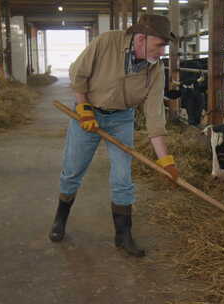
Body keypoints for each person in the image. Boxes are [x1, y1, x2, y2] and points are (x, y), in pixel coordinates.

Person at [49, 14, 179, 258]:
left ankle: (123, 235)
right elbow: (78, 75)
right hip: (87, 113)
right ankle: (60, 219)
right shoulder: (107, 42)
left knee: (122, 177)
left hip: (121, 118)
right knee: (73, 169)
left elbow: (154, 116)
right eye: (159, 45)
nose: (161, 52)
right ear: (141, 38)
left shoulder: (156, 69)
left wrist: (165, 160)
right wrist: (84, 108)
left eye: (164, 46)